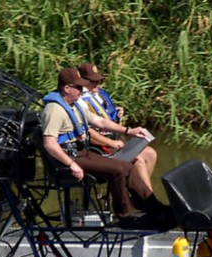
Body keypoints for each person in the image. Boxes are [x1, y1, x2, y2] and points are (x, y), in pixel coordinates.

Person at [41, 68, 170, 229]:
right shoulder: (54, 110)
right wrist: (71, 164)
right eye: (79, 88)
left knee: (126, 166)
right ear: (67, 88)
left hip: (83, 152)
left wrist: (129, 131)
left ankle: (154, 208)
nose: (82, 90)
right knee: (119, 169)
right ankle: (126, 217)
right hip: (70, 158)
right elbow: (49, 143)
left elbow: (100, 122)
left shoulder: (75, 106)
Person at [76, 62, 158, 195]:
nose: (97, 84)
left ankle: (140, 196)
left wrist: (126, 127)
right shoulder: (79, 101)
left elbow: (102, 120)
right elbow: (87, 131)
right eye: (93, 81)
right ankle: (149, 200)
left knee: (150, 153)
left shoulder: (99, 94)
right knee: (139, 161)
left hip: (113, 140)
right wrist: (111, 143)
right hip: (97, 147)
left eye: (99, 81)